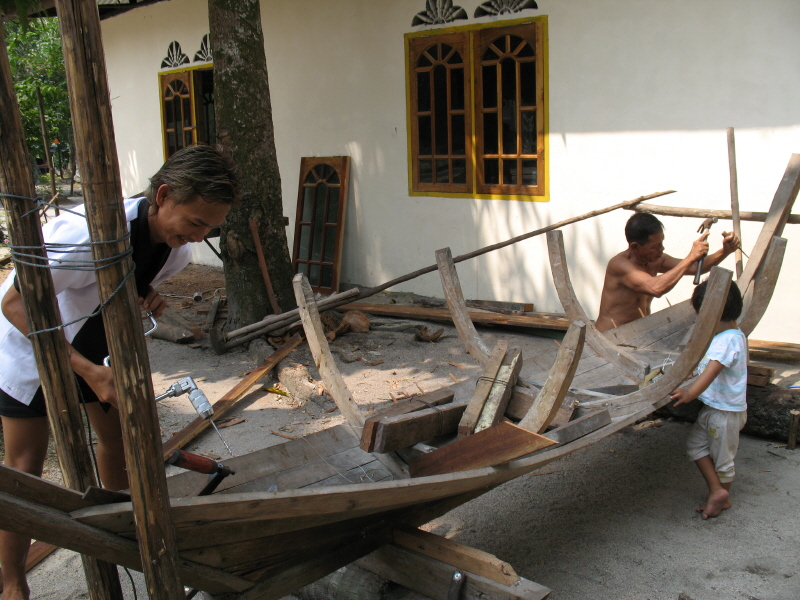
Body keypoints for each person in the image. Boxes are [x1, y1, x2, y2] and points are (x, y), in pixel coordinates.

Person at [0, 145, 239, 600]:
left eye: (212, 227)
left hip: (96, 349)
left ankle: (126, 533)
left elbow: (121, 283)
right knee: (25, 467)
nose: (201, 234)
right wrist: (86, 372)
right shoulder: (83, 235)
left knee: (118, 443)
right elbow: (15, 304)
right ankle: (12, 581)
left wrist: (146, 295)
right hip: (33, 350)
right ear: (164, 195)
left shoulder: (177, 251)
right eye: (195, 222)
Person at [669, 280, 747, 520]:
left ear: (710, 314)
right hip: (715, 410)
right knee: (696, 446)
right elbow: (709, 367)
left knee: (723, 460)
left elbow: (713, 371)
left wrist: (690, 392)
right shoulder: (729, 335)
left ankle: (722, 497)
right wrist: (692, 374)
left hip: (724, 415)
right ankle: (717, 490)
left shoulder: (727, 340)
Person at [595, 213, 739, 333]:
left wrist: (724, 251)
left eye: (661, 243)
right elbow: (656, 288)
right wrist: (691, 256)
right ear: (635, 247)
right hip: (610, 337)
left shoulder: (655, 259)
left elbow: (695, 267)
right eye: (655, 247)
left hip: (636, 335)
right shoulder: (619, 265)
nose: (661, 249)